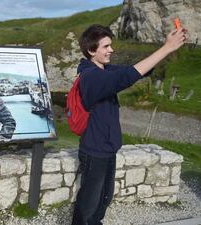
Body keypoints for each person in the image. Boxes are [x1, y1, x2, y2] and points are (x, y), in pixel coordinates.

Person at [71, 24, 186, 225]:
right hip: (94, 150)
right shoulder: (91, 77)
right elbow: (125, 78)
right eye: (106, 46)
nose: (111, 50)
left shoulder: (104, 70)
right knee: (88, 206)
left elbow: (135, 71)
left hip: (107, 149)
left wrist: (168, 46)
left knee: (103, 200)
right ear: (91, 50)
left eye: (111, 45)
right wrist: (167, 48)